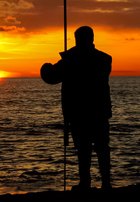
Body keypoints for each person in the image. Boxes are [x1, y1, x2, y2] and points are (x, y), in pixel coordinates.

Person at [41, 26, 112, 191]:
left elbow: (51, 76)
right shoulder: (104, 59)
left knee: (86, 149)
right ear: (92, 39)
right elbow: (53, 76)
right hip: (98, 112)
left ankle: (87, 184)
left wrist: (48, 67)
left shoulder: (71, 59)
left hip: (80, 112)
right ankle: (105, 183)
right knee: (100, 148)